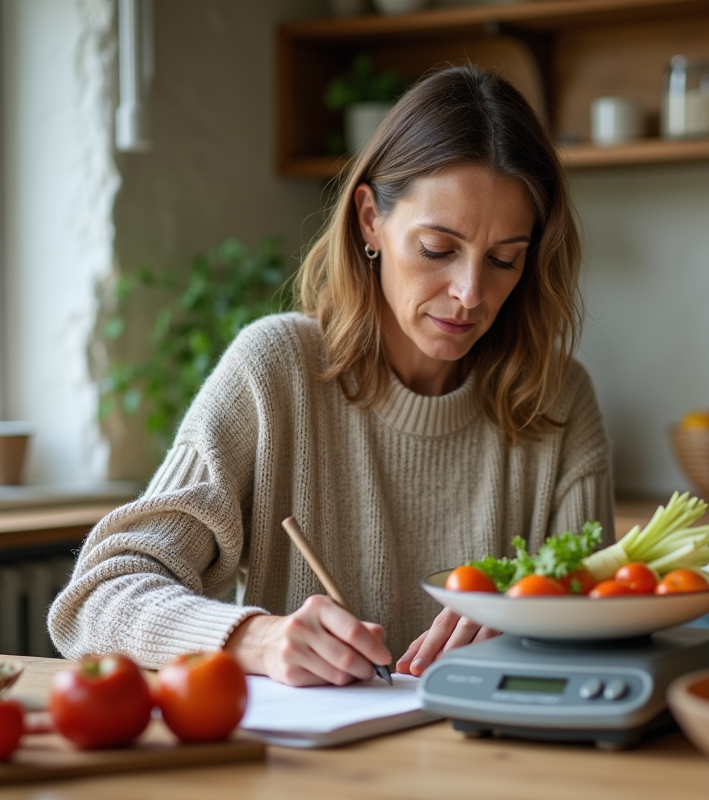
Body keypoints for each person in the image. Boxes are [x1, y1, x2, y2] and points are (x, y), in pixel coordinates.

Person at [48, 65, 614, 687]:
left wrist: (537, 631)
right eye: (437, 250)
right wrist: (255, 638)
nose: (471, 293)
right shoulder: (274, 370)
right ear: (370, 218)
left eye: (505, 260)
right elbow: (95, 600)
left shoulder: (557, 399)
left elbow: (605, 626)